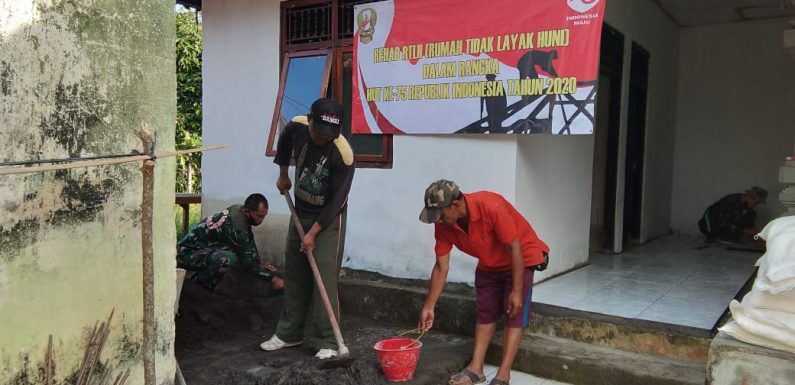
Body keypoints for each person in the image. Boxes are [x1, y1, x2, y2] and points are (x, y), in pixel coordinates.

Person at [416, 180, 549, 385]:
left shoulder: (490, 206)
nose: (438, 221)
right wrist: (429, 306)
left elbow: (514, 247)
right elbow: (441, 267)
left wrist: (516, 290)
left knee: (514, 313)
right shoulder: (443, 225)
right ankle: (475, 369)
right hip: (489, 263)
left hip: (521, 257)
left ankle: (503, 375)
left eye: (440, 215)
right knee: (485, 312)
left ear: (456, 204)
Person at [260, 98, 355, 360]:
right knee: (295, 273)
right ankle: (289, 333)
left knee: (323, 277)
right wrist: (283, 173)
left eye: (328, 135)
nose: (322, 138)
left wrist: (313, 234)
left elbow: (338, 201)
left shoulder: (343, 154)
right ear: (310, 120)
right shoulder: (297, 126)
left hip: (328, 220)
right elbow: (284, 141)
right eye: (318, 131)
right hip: (300, 211)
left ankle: (327, 340)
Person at [177, 193, 284, 292]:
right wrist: (273, 279)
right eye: (259, 216)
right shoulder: (238, 226)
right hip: (186, 253)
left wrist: (258, 264)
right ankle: (198, 287)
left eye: (264, 216)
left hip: (203, 248)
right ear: (247, 212)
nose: (261, 220)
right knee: (228, 259)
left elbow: (248, 240)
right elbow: (247, 263)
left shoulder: (239, 211)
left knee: (235, 254)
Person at [698, 186, 768, 243]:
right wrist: (745, 230)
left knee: (751, 214)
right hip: (710, 224)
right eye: (756, 203)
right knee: (717, 227)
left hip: (727, 226)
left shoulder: (747, 208)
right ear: (748, 197)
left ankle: (733, 237)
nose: (755, 205)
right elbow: (723, 223)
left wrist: (751, 233)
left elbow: (747, 225)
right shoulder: (729, 202)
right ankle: (713, 237)